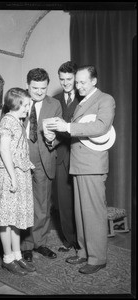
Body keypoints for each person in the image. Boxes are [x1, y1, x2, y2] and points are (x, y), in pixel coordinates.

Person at [45, 65, 115, 274]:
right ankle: (84, 252)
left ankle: (97, 258)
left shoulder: (105, 99)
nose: (78, 86)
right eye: (77, 82)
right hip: (78, 164)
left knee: (93, 213)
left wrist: (67, 127)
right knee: (81, 212)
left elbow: (101, 126)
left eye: (83, 82)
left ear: (94, 81)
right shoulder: (82, 102)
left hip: (92, 164)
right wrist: (54, 135)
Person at [0, 88, 36, 276]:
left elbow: (17, 148)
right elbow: (4, 150)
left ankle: (17, 255)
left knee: (16, 218)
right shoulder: (8, 121)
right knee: (6, 220)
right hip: (10, 173)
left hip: (19, 172)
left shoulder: (17, 120)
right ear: (17, 104)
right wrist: (13, 176)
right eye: (26, 105)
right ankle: (7, 258)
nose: (28, 108)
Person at [21, 68, 63, 262]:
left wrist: (51, 140)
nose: (39, 92)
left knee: (43, 206)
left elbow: (60, 135)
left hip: (44, 161)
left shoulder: (54, 104)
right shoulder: (17, 101)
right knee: (23, 205)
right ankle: (25, 245)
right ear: (27, 85)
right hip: (21, 161)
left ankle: (40, 243)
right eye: (35, 88)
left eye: (43, 88)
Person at [53, 61, 82, 253]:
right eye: (62, 79)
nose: (65, 83)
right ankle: (68, 240)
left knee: (80, 202)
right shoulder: (54, 100)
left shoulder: (85, 97)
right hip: (61, 156)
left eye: (69, 79)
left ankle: (82, 243)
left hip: (81, 155)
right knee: (63, 202)